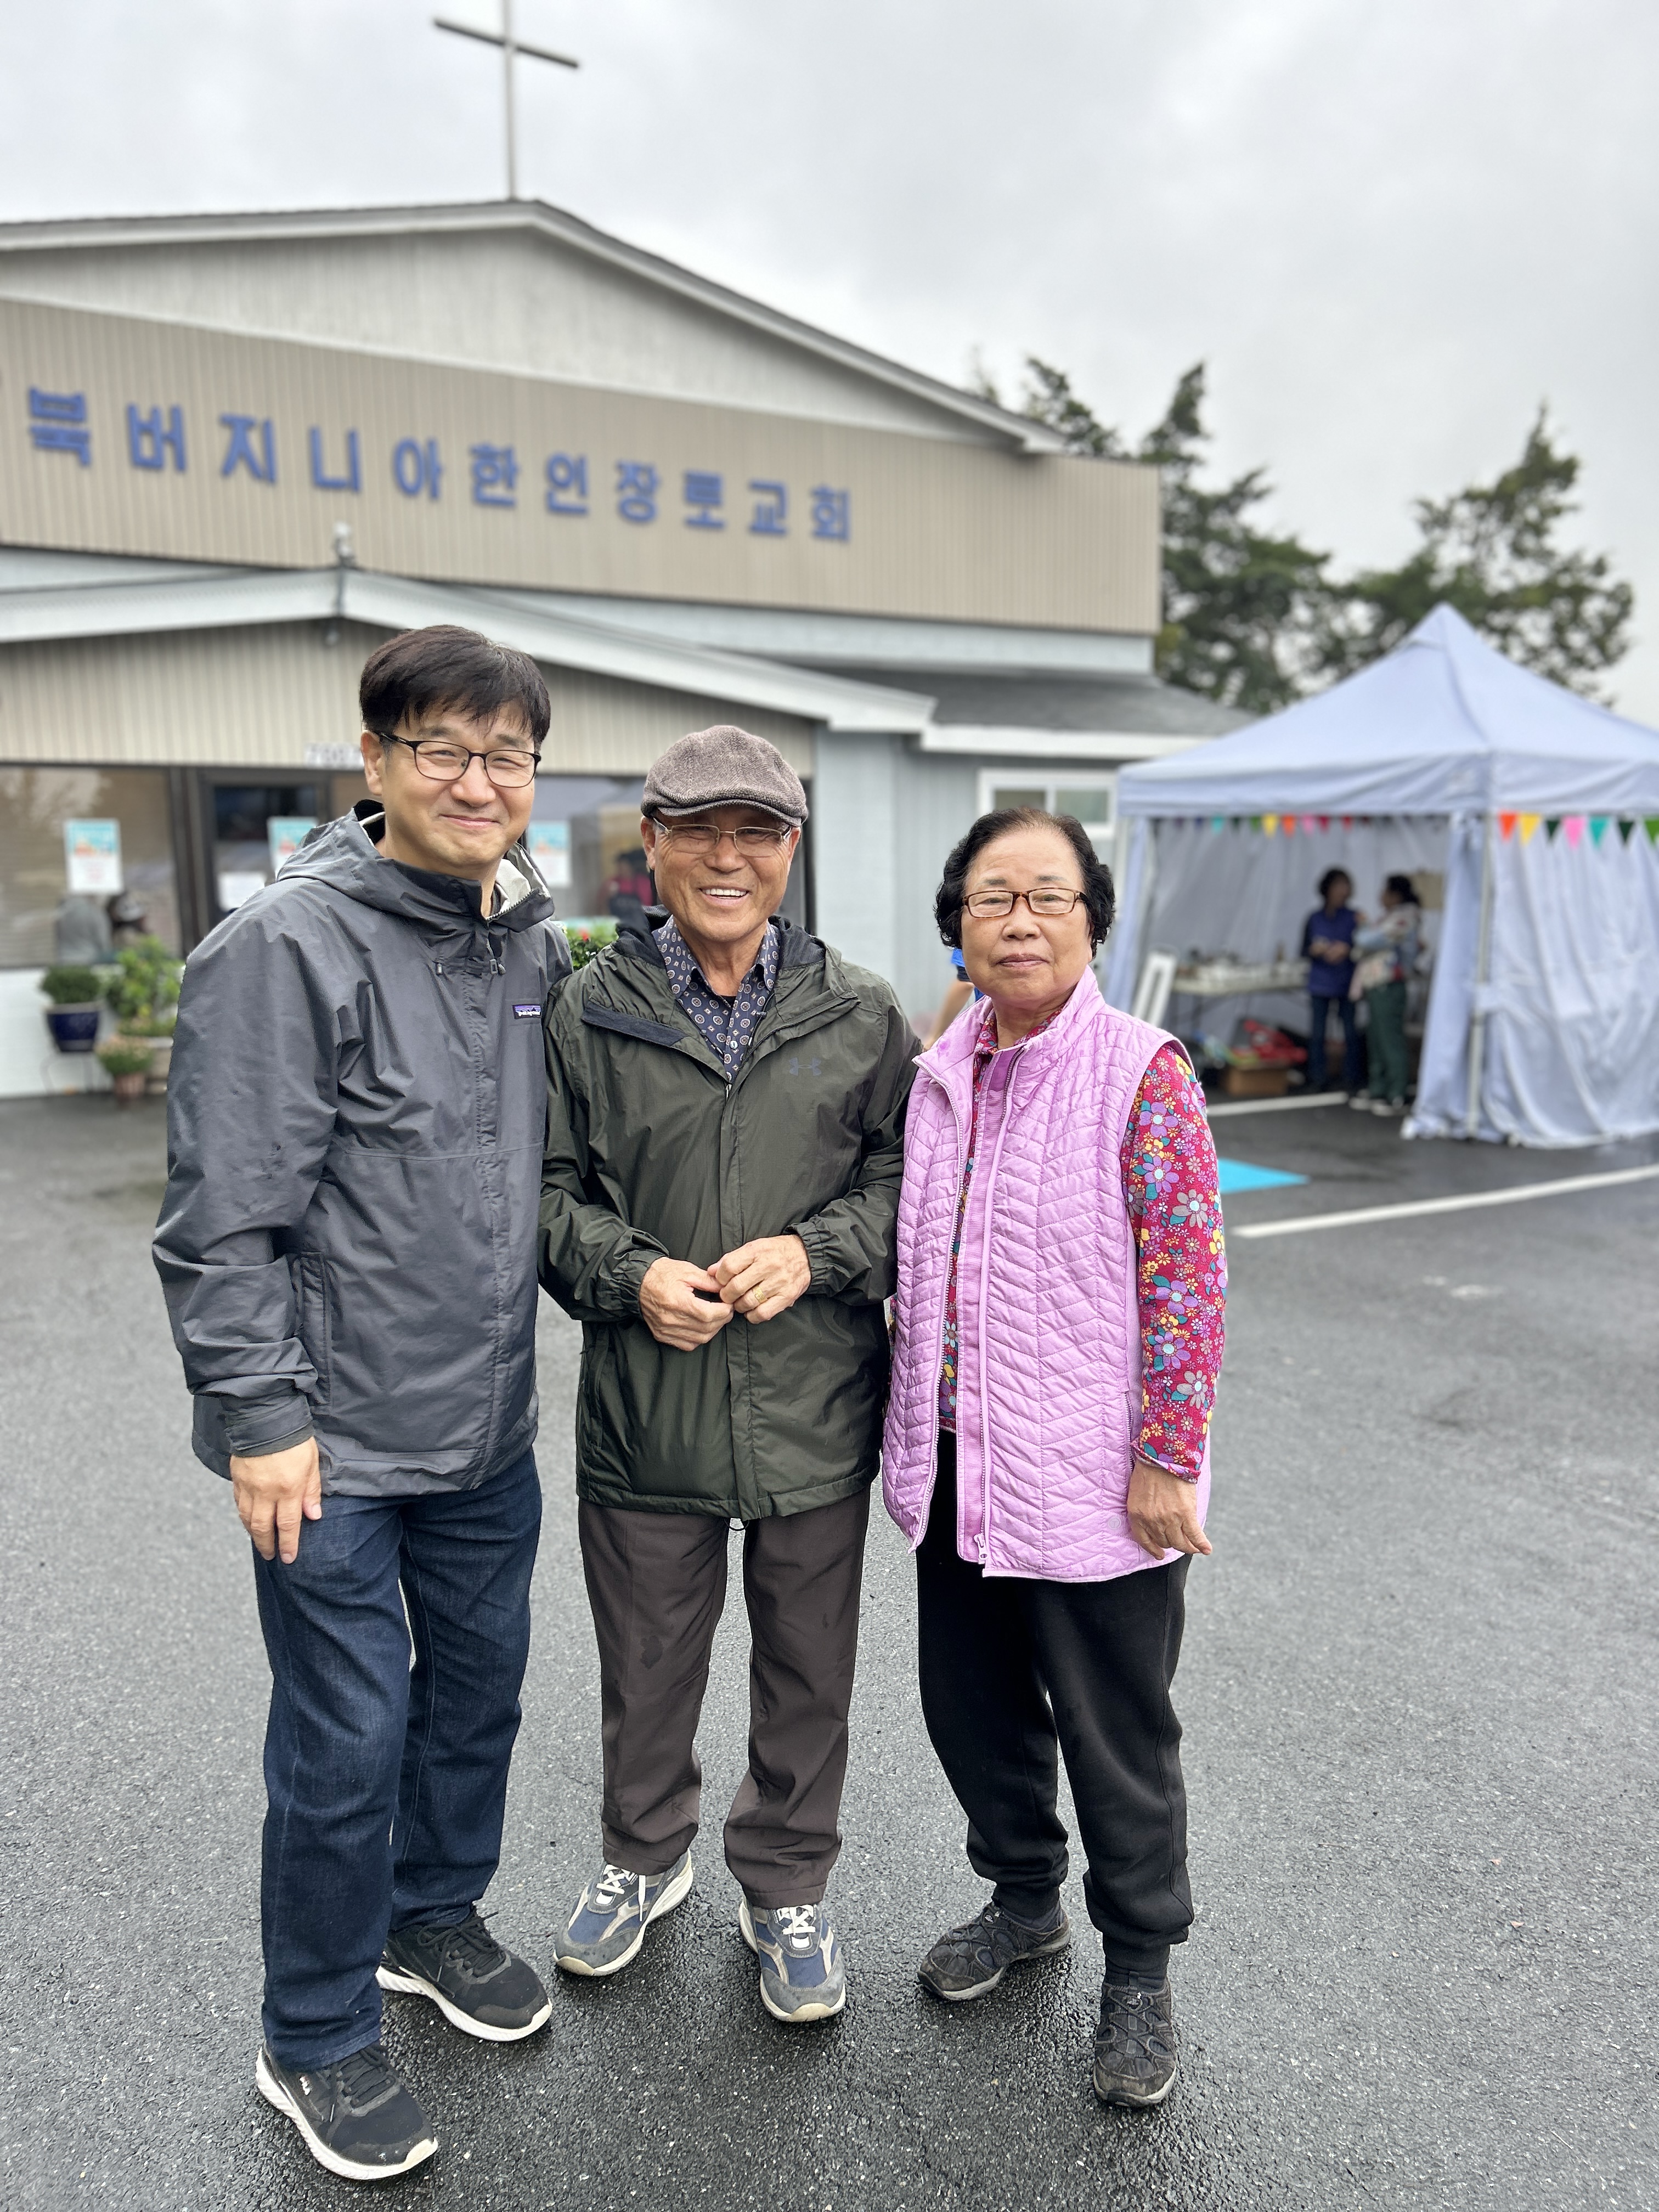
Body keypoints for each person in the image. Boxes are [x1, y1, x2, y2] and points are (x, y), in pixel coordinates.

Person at [153, 626, 571, 2184]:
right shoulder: (286, 947)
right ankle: (314, 2031)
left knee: (478, 1700)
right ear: (376, 759)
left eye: (507, 755)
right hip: (329, 1445)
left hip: (485, 1429)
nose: (478, 779)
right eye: (443, 749)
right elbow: (221, 1224)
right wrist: (261, 1420)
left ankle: (429, 1916)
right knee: (345, 1738)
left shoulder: (521, 941)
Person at [539, 724, 916, 2025]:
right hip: (647, 1407)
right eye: (697, 830)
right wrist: (629, 1271)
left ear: (789, 852)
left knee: (810, 1664)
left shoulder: (860, 1011)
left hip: (815, 1403)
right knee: (646, 1660)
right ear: (650, 844)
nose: (726, 857)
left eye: (755, 832)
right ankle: (644, 1857)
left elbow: (906, 1184)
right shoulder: (589, 1010)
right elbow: (544, 1194)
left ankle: (787, 1881)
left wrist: (816, 1253)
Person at [881, 808, 1225, 2111]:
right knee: (972, 1709)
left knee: (1116, 1732)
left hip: (1096, 1474)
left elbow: (1189, 1281)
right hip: (955, 1461)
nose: (1019, 921)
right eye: (992, 898)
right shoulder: (939, 1073)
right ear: (957, 925)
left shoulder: (1142, 1071)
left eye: (1048, 897)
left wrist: (1168, 1458)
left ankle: (1139, 1969)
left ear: (1093, 921)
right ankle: (1024, 1900)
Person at [1349, 873, 1422, 1117]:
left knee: (1390, 1039)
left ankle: (1397, 1092)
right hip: (1377, 985)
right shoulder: (1390, 917)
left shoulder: (1405, 918)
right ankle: (1378, 1088)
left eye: (1385, 891)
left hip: (1390, 985)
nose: (1381, 896)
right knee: (1376, 1038)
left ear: (1396, 895)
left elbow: (1368, 941)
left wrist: (1363, 927)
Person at [1300, 867, 1362, 1092]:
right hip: (1320, 982)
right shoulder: (1314, 918)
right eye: (1338, 886)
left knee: (1350, 1033)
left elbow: (1365, 948)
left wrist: (1348, 950)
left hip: (1346, 982)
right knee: (1318, 1034)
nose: (1343, 891)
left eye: (1346, 886)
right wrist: (1316, 950)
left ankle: (1351, 1078)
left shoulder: (1355, 918)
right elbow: (1303, 950)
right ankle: (1317, 1077)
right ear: (1327, 889)